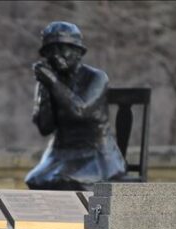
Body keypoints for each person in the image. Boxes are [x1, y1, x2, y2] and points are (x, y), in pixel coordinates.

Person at [25, 21, 126, 191]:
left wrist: (53, 83)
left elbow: (80, 110)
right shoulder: (48, 81)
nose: (56, 55)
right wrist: (45, 93)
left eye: (63, 48)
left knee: (65, 181)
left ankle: (81, 216)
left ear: (78, 52)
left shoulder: (96, 78)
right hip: (60, 153)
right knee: (36, 180)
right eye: (51, 50)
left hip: (95, 153)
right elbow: (45, 128)